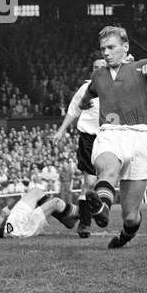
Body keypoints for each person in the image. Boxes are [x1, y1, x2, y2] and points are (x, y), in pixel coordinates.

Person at [81, 26, 147, 249]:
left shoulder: (140, 67)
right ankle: (102, 208)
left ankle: (125, 236)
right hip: (110, 133)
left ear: (125, 47)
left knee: (130, 216)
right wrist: (83, 103)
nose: (106, 53)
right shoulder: (98, 75)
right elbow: (88, 94)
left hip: (138, 138)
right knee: (108, 168)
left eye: (111, 47)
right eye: (102, 49)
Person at [54, 56, 109, 238]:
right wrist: (61, 130)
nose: (98, 70)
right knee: (89, 182)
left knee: (106, 179)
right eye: (95, 67)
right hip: (88, 139)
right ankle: (85, 223)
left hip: (108, 138)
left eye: (102, 67)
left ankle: (99, 209)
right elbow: (73, 110)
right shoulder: (86, 89)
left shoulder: (115, 88)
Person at [0, 171, 77, 240]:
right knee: (55, 202)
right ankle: (80, 213)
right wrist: (1, 217)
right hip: (13, 229)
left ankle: (66, 219)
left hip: (12, 219)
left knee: (36, 191)